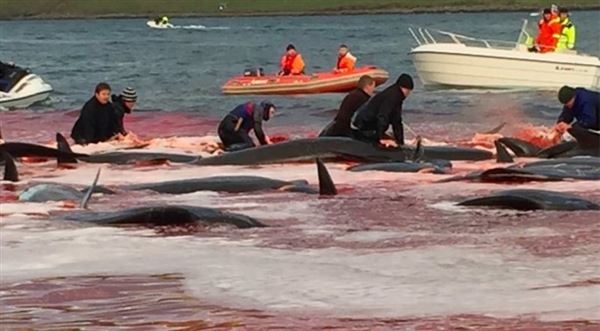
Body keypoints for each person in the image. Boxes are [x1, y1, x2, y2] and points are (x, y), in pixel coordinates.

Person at [352, 74, 414, 147]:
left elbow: (396, 121)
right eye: (408, 91)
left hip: (367, 125)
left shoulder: (396, 95)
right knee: (385, 126)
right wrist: (381, 138)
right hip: (365, 127)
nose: (408, 94)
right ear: (404, 88)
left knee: (393, 139)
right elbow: (383, 115)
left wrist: (400, 142)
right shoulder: (392, 96)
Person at [555, 86, 600, 150]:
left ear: (573, 97)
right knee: (575, 129)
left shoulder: (585, 100)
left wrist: (570, 127)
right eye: (565, 104)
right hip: (594, 120)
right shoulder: (570, 102)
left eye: (568, 103)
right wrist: (560, 123)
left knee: (577, 129)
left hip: (595, 119)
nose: (567, 105)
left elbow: (589, 120)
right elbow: (566, 115)